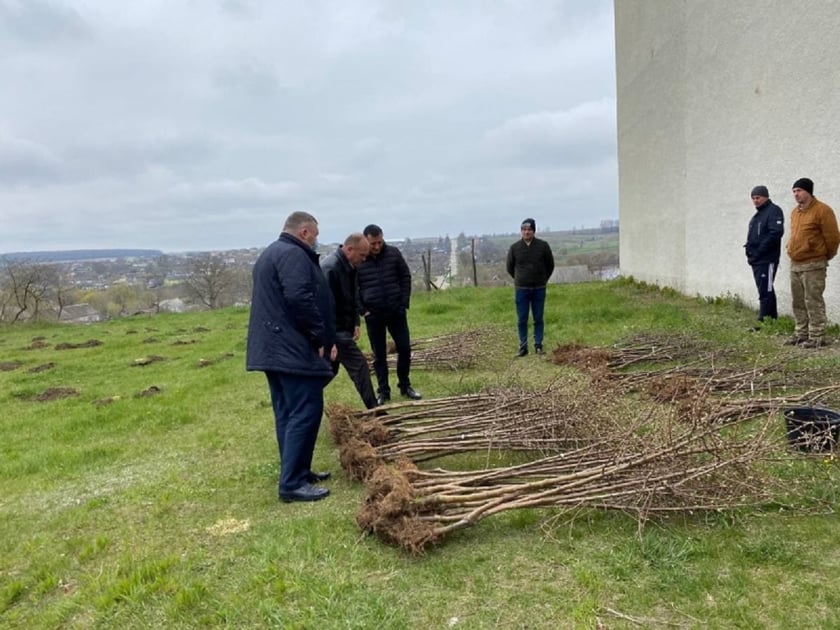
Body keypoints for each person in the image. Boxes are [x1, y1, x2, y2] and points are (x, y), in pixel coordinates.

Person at [246, 211, 337, 503]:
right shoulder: (293, 255)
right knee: (305, 411)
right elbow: (299, 298)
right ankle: (292, 484)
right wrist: (318, 336)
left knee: (287, 413)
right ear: (304, 233)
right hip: (291, 348)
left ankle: (296, 471)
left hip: (274, 348)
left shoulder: (271, 253)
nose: (316, 240)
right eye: (316, 235)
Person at [357, 224, 421, 405]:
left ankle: (405, 385)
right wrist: (363, 310)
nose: (376, 247)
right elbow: (353, 288)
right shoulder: (360, 260)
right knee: (379, 356)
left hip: (396, 312)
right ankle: (383, 391)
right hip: (373, 315)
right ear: (365, 241)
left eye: (379, 242)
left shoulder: (393, 254)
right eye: (372, 243)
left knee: (405, 349)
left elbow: (405, 277)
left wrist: (403, 303)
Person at [321, 233, 378, 409]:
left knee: (330, 370)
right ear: (349, 249)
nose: (364, 259)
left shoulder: (350, 266)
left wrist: (355, 322)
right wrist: (330, 340)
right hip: (335, 330)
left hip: (342, 328)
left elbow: (351, 295)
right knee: (359, 366)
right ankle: (375, 410)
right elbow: (325, 307)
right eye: (362, 255)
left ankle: (302, 395)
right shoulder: (330, 269)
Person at [785, 177, 840, 348]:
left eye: (799, 190)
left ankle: (817, 335)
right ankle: (801, 333)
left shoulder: (823, 211)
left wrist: (823, 255)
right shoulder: (795, 212)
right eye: (794, 191)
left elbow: (833, 238)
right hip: (796, 263)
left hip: (814, 264)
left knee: (812, 299)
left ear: (808, 191)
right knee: (798, 301)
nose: (796, 194)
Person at [506, 217, 555, 356]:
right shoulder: (514, 248)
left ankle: (538, 345)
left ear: (534, 231)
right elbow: (510, 267)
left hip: (539, 288)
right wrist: (520, 279)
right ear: (521, 231)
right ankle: (523, 347)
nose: (527, 232)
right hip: (522, 289)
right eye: (524, 230)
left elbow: (550, 265)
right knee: (522, 319)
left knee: (538, 318)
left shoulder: (543, 246)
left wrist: (543, 279)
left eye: (529, 230)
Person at [744, 185, 784, 322]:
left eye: (758, 197)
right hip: (757, 259)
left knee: (765, 289)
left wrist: (759, 252)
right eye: (753, 198)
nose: (756, 201)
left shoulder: (773, 211)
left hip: (767, 259)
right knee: (763, 288)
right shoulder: (757, 215)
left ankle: (764, 319)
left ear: (766, 197)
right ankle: (771, 318)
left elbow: (775, 233)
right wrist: (750, 253)